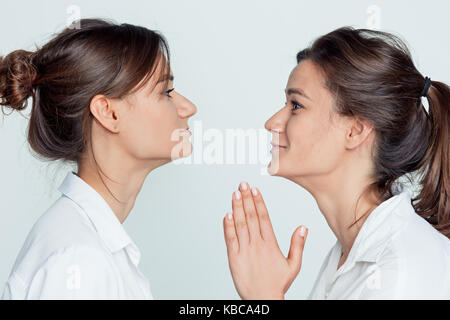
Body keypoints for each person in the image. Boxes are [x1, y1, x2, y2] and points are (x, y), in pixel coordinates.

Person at [223, 27, 450, 299]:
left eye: (296, 105)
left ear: (355, 130)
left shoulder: (401, 270)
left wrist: (264, 297)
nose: (272, 123)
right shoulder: (348, 253)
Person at [0, 18, 197, 299]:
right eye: (166, 92)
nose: (189, 107)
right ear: (108, 112)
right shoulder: (79, 261)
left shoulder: (88, 247)